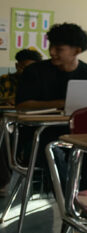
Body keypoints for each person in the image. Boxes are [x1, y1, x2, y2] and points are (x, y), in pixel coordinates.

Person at [15, 22, 87, 192]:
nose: (51, 52)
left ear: (76, 51)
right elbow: (22, 106)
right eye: (51, 46)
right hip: (39, 138)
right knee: (53, 152)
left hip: (79, 136)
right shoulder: (35, 71)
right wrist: (62, 103)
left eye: (59, 49)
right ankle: (70, 209)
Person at [0, 49, 43, 194]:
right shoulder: (5, 80)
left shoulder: (41, 82)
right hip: (8, 121)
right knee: (5, 134)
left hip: (34, 122)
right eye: (24, 67)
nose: (28, 71)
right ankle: (3, 181)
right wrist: (7, 101)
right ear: (18, 66)